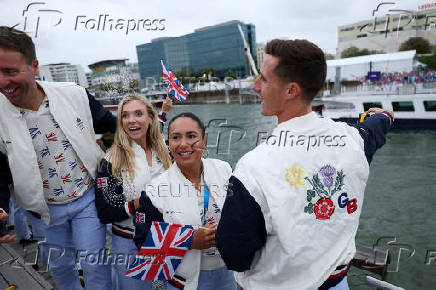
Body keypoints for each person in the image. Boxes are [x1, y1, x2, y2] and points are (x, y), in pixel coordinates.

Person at [216, 39, 394, 290]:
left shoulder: (254, 168)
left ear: (291, 91)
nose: (255, 87)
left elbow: (234, 252)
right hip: (337, 283)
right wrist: (384, 115)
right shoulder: (353, 139)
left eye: (264, 80)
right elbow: (375, 127)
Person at [0, 25, 118, 289]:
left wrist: (152, 146)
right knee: (60, 266)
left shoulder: (73, 94)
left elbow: (111, 125)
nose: (1, 82)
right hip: (42, 210)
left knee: (94, 262)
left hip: (86, 197)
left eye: (9, 71)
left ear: (34, 66)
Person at [133, 112, 237, 290]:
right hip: (184, 280)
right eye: (175, 137)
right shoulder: (155, 190)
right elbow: (142, 242)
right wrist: (188, 240)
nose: (183, 144)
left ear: (204, 141)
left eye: (191, 136)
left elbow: (241, 214)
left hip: (229, 272)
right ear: (169, 143)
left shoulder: (224, 169)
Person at [95, 94, 172, 289]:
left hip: (165, 237)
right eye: (125, 115)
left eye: (138, 113)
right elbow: (106, 211)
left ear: (151, 118)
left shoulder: (165, 150)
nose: (132, 120)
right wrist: (138, 203)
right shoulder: (111, 160)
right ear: (120, 121)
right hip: (128, 242)